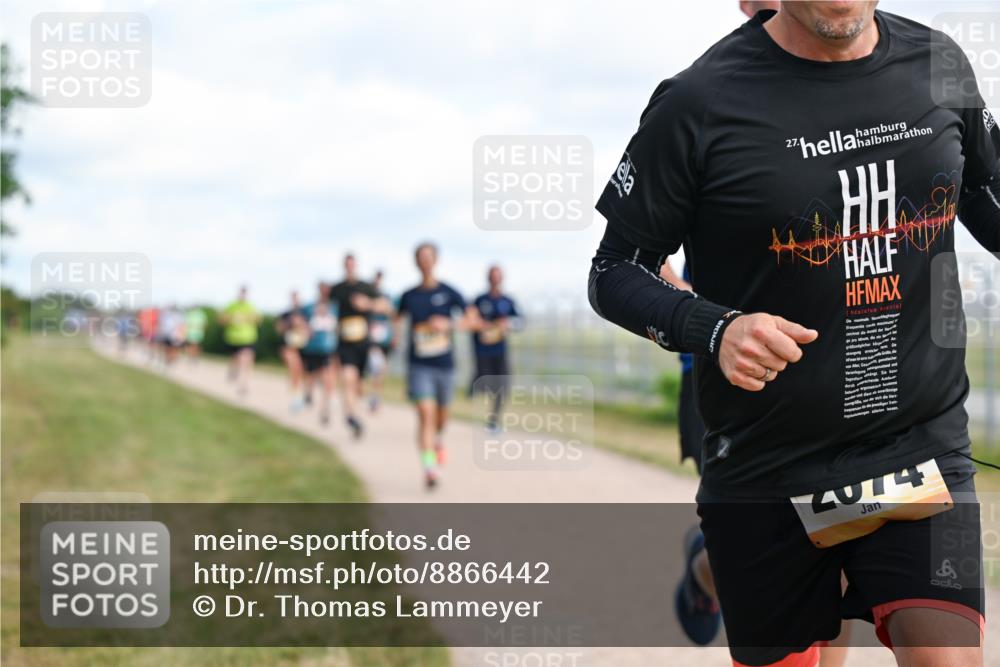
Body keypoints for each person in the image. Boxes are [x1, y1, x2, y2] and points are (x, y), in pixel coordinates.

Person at [588, 2, 998, 666]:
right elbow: (614, 270)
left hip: (914, 443)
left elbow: (982, 188)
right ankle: (708, 570)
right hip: (769, 463)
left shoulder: (937, 62)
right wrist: (715, 327)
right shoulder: (698, 103)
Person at [396, 242, 480, 489]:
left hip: (444, 365)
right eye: (420, 257)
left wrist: (449, 325)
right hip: (418, 364)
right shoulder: (408, 296)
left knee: (441, 418)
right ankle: (430, 468)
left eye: (428, 257)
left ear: (436, 260)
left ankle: (439, 439)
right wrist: (394, 335)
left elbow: (472, 319)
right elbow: (396, 319)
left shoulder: (450, 292)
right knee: (425, 414)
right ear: (416, 262)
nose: (425, 261)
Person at [330, 254, 388, 439]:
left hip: (365, 342)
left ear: (356, 265)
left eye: (352, 264)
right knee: (348, 379)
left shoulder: (366, 287)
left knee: (365, 379)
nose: (349, 267)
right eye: (346, 264)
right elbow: (326, 308)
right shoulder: (336, 289)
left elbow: (385, 305)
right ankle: (352, 417)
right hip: (345, 343)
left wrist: (367, 304)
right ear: (343, 266)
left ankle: (373, 398)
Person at [470, 265, 520, 433]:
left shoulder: (508, 301)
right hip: (482, 352)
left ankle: (494, 420)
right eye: (492, 276)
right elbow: (469, 320)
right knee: (486, 385)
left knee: (503, 386)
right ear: (488, 278)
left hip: (500, 351)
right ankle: (473, 385)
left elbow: (520, 322)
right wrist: (482, 325)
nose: (495, 279)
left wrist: (508, 324)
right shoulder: (480, 300)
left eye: (498, 276)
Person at [299, 282, 338, 426]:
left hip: (328, 348)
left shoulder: (335, 307)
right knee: (311, 375)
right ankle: (308, 393)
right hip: (312, 348)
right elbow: (299, 319)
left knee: (328, 377)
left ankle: (324, 409)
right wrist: (304, 328)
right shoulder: (309, 307)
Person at [218, 286, 260, 396]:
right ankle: (233, 370)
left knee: (246, 360)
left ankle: (244, 384)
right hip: (233, 338)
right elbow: (221, 319)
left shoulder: (250, 306)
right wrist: (231, 319)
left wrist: (249, 318)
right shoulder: (232, 305)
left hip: (248, 338)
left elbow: (258, 320)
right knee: (237, 359)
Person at [275, 290, 309, 412]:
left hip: (302, 347)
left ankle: (300, 393)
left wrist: (301, 326)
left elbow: (310, 330)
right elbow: (279, 329)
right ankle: (295, 396)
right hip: (288, 346)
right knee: (293, 369)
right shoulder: (285, 314)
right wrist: (289, 324)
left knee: (300, 371)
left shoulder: (305, 313)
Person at [366, 270, 395, 413]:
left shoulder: (387, 296)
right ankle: (372, 395)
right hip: (371, 339)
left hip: (384, 338)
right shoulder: (368, 296)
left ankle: (375, 396)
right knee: (377, 366)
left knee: (381, 370)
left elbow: (393, 315)